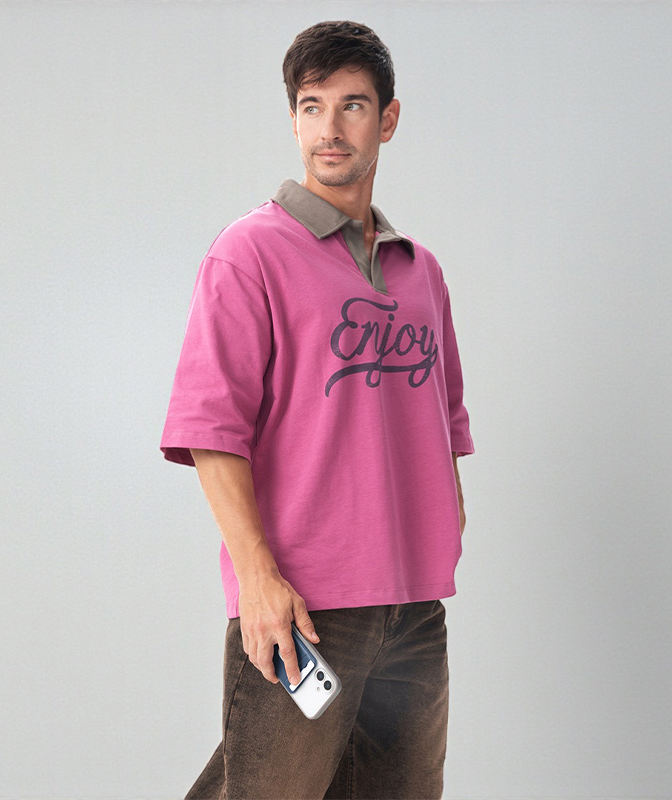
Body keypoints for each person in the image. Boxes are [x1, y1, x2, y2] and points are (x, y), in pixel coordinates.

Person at [161, 20, 474, 798]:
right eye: (311, 106)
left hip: (413, 610)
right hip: (305, 607)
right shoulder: (250, 254)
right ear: (294, 119)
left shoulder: (421, 272)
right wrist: (258, 579)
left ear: (387, 120)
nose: (329, 128)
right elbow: (211, 431)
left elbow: (445, 420)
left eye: (352, 106)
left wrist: (445, 526)